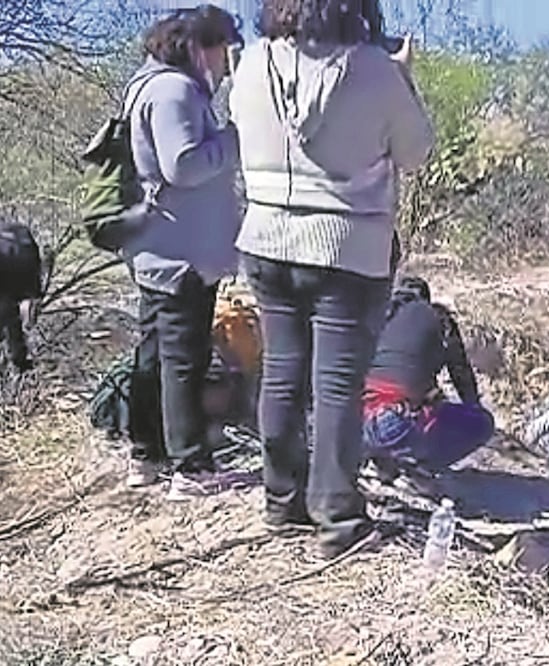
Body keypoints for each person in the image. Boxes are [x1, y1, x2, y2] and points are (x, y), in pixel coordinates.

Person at [230, 0, 433, 558]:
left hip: (267, 238)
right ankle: (337, 517)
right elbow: (415, 153)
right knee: (337, 386)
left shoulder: (250, 62)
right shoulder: (377, 70)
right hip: (346, 247)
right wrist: (404, 80)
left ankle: (281, 500)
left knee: (282, 371)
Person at [120, 6, 245, 497]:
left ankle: (145, 454)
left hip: (162, 249)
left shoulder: (149, 85)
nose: (225, 62)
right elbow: (184, 165)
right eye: (222, 49)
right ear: (199, 46)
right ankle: (191, 468)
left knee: (154, 353)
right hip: (180, 255)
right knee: (182, 358)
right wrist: (233, 138)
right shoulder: (174, 90)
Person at [363, 277, 495, 477]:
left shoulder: (377, 315)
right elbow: (461, 374)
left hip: (356, 423)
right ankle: (419, 465)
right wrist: (473, 405)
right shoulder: (439, 318)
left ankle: (383, 457)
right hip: (396, 422)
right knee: (482, 423)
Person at [0, 221, 43, 372]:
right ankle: (19, 361)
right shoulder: (18, 232)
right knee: (11, 316)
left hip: (15, 272)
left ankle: (18, 362)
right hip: (23, 272)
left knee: (9, 313)